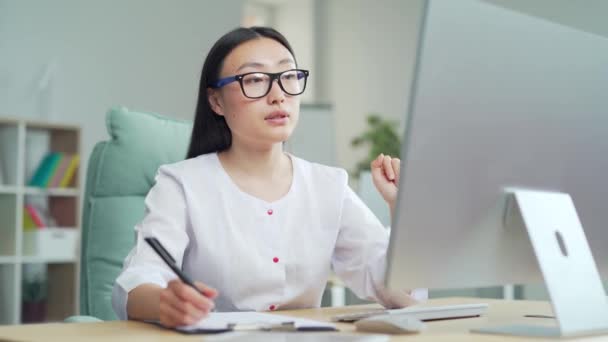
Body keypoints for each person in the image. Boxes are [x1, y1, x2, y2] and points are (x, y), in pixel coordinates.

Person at [112, 26, 427, 328]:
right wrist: (166, 302)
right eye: (255, 79)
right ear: (216, 101)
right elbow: (138, 282)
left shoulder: (328, 185)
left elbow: (397, 295)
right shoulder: (181, 184)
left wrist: (401, 210)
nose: (278, 95)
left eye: (288, 76)